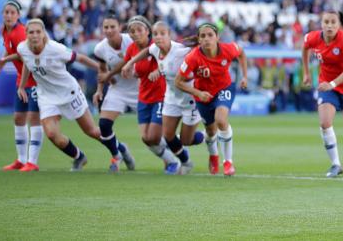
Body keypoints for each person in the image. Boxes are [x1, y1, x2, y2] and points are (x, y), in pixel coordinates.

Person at [9, 19, 126, 171]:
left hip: (68, 92)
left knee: (91, 131)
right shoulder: (22, 48)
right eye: (31, 32)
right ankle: (79, 157)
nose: (35, 35)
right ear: (26, 34)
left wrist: (104, 70)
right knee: (52, 134)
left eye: (38, 32)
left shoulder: (56, 49)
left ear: (44, 33)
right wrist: (22, 86)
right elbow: (27, 63)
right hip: (47, 96)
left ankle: (120, 148)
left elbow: (81, 58)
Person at [124, 21, 208, 175]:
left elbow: (201, 47)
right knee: (168, 136)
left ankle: (206, 135)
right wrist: (130, 62)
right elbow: (147, 51)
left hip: (189, 97)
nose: (158, 37)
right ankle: (186, 162)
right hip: (171, 97)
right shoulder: (155, 49)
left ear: (170, 35)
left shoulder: (181, 50)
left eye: (162, 33)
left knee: (185, 140)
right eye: (156, 34)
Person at [100, 16, 180, 174]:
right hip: (144, 96)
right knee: (146, 138)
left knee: (154, 137)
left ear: (147, 31)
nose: (135, 34)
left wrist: (158, 70)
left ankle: (173, 161)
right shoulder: (131, 49)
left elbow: (169, 61)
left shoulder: (157, 45)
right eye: (131, 31)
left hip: (161, 96)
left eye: (139, 30)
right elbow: (131, 66)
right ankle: (174, 144)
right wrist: (130, 72)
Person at [301, 10, 343, 177]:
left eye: (333, 22)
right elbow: (305, 49)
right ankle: (336, 164)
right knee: (325, 123)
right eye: (326, 22)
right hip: (327, 88)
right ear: (321, 24)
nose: (329, 25)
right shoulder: (312, 38)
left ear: (339, 25)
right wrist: (306, 73)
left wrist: (332, 84)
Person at [175, 22, 248, 176]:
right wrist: (198, 93)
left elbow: (241, 53)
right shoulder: (193, 57)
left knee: (221, 120)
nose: (207, 39)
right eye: (203, 36)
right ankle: (213, 155)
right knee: (210, 130)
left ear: (217, 37)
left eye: (210, 35)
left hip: (224, 88)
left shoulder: (227, 49)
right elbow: (178, 81)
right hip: (203, 95)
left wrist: (244, 77)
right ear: (199, 40)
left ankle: (228, 162)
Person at [0, 0, 43, 172]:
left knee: (33, 119)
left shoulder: (20, 33)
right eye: (6, 12)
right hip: (22, 79)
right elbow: (9, 49)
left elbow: (25, 58)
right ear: (2, 14)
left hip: (34, 80)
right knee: (19, 118)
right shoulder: (5, 30)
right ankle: (21, 160)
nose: (9, 15)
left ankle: (32, 161)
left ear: (18, 16)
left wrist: (4, 61)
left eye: (12, 12)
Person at [91, 12, 136, 172]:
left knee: (154, 134)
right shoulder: (100, 48)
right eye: (106, 27)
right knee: (104, 125)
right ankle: (118, 154)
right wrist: (98, 91)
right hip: (118, 89)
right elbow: (102, 71)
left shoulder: (132, 40)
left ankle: (171, 158)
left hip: (140, 88)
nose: (109, 30)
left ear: (120, 27)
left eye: (112, 27)